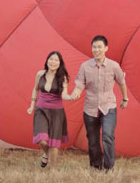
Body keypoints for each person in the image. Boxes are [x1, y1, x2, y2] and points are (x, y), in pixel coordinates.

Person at [64, 35, 128, 171]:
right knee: (93, 140)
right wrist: (76, 92)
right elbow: (80, 84)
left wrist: (125, 98)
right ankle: (95, 166)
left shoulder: (113, 66)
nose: (96, 50)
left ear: (106, 48)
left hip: (108, 107)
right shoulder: (85, 66)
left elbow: (122, 82)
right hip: (90, 108)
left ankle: (109, 167)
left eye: (99, 47)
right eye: (94, 47)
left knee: (107, 136)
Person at [26, 51, 70, 170]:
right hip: (41, 110)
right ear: (47, 61)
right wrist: (31, 105)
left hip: (57, 112)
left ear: (60, 63)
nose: (53, 62)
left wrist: (69, 97)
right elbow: (35, 89)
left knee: (54, 142)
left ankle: (53, 169)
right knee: (42, 140)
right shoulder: (40, 74)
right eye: (51, 59)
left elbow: (64, 94)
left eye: (56, 60)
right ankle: (46, 153)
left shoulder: (62, 78)